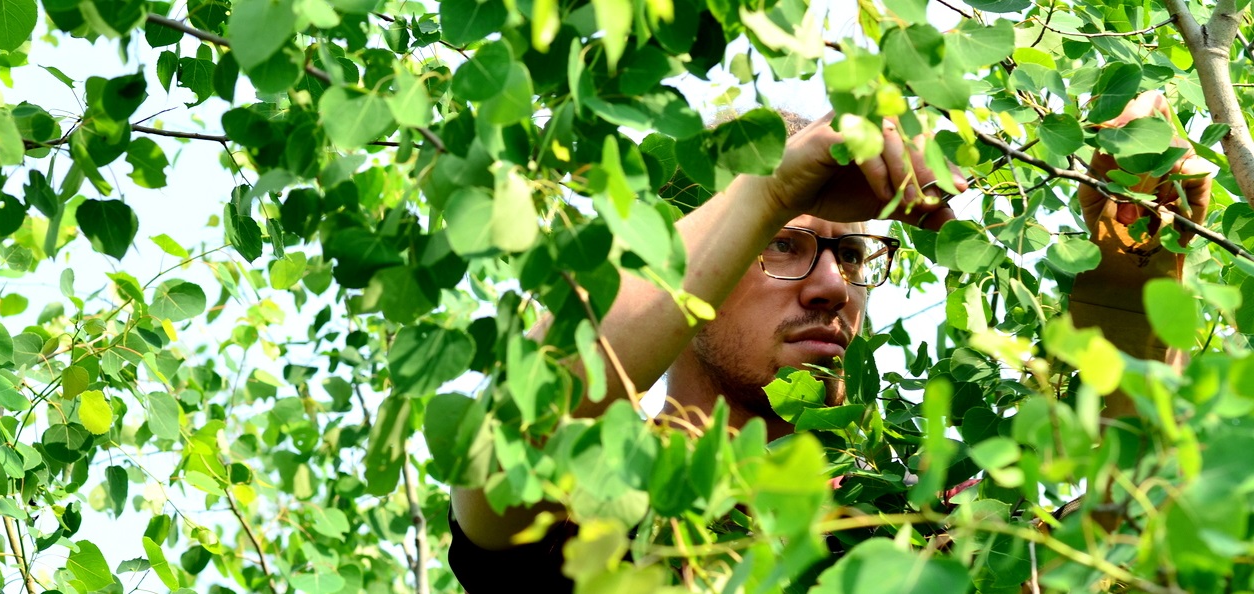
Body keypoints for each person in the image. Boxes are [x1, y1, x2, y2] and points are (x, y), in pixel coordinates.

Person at [446, 91, 1211, 592]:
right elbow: (510, 440)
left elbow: (1127, 537)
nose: (831, 287)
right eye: (782, 245)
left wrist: (1130, 285)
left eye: (850, 255)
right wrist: (771, 189)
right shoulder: (611, 511)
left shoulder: (926, 508)